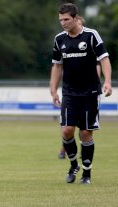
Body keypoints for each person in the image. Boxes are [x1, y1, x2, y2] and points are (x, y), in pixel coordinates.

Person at [50, 3, 112, 184]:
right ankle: (72, 165)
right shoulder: (59, 39)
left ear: (76, 18)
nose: (63, 23)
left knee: (86, 133)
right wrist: (53, 89)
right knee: (67, 130)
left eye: (66, 19)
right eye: (61, 20)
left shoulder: (91, 35)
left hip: (90, 92)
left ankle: (86, 173)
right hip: (69, 92)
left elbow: (104, 59)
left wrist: (107, 81)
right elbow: (57, 65)